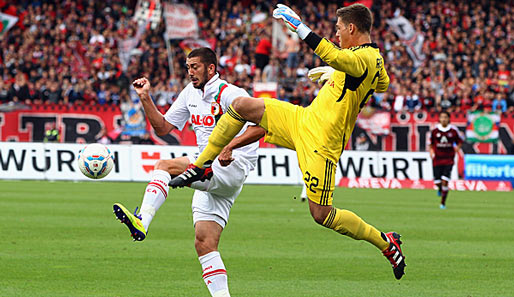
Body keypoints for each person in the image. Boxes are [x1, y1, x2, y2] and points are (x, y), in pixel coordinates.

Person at [170, 4, 406, 280]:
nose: (337, 33)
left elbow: (335, 56)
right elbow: (382, 84)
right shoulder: (371, 59)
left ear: (351, 28)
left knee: (321, 215)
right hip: (303, 119)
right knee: (243, 105)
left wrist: (300, 27)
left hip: (322, 143)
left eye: (340, 29)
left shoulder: (362, 58)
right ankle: (201, 165)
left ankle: (386, 243)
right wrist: (340, 76)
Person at [113, 48, 262, 297]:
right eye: (188, 67)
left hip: (232, 165)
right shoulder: (189, 94)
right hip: (213, 171)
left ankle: (143, 221)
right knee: (205, 243)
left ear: (211, 68)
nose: (190, 72)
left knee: (164, 166)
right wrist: (145, 98)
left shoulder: (231, 94)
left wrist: (230, 147)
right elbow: (162, 128)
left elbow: (262, 127)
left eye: (195, 67)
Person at [429, 111, 463, 209]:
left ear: (449, 119)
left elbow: (460, 141)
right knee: (437, 182)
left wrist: (458, 147)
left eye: (445, 117)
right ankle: (440, 189)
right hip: (437, 158)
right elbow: (430, 143)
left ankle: (442, 203)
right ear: (439, 119)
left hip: (449, 158)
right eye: (442, 117)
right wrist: (431, 151)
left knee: (445, 181)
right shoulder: (435, 130)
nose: (444, 119)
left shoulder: (453, 130)